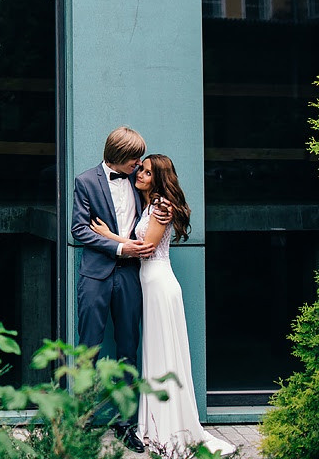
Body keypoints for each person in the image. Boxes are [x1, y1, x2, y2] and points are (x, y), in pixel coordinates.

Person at [89, 154, 235, 457]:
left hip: (159, 284)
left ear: (159, 178)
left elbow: (146, 249)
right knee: (155, 353)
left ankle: (170, 426)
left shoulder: (160, 206)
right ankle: (155, 423)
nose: (140, 174)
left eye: (146, 171)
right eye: (140, 169)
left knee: (164, 353)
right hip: (149, 285)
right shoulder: (150, 204)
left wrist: (106, 235)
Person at [71, 126, 168, 454]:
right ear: (118, 156)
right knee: (89, 349)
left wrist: (126, 246)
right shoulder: (85, 182)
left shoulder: (139, 182)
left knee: (129, 347)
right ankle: (81, 421)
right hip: (95, 277)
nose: (139, 164)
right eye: (134, 158)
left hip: (131, 278)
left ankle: (127, 424)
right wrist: (118, 248)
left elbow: (158, 217)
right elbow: (78, 229)